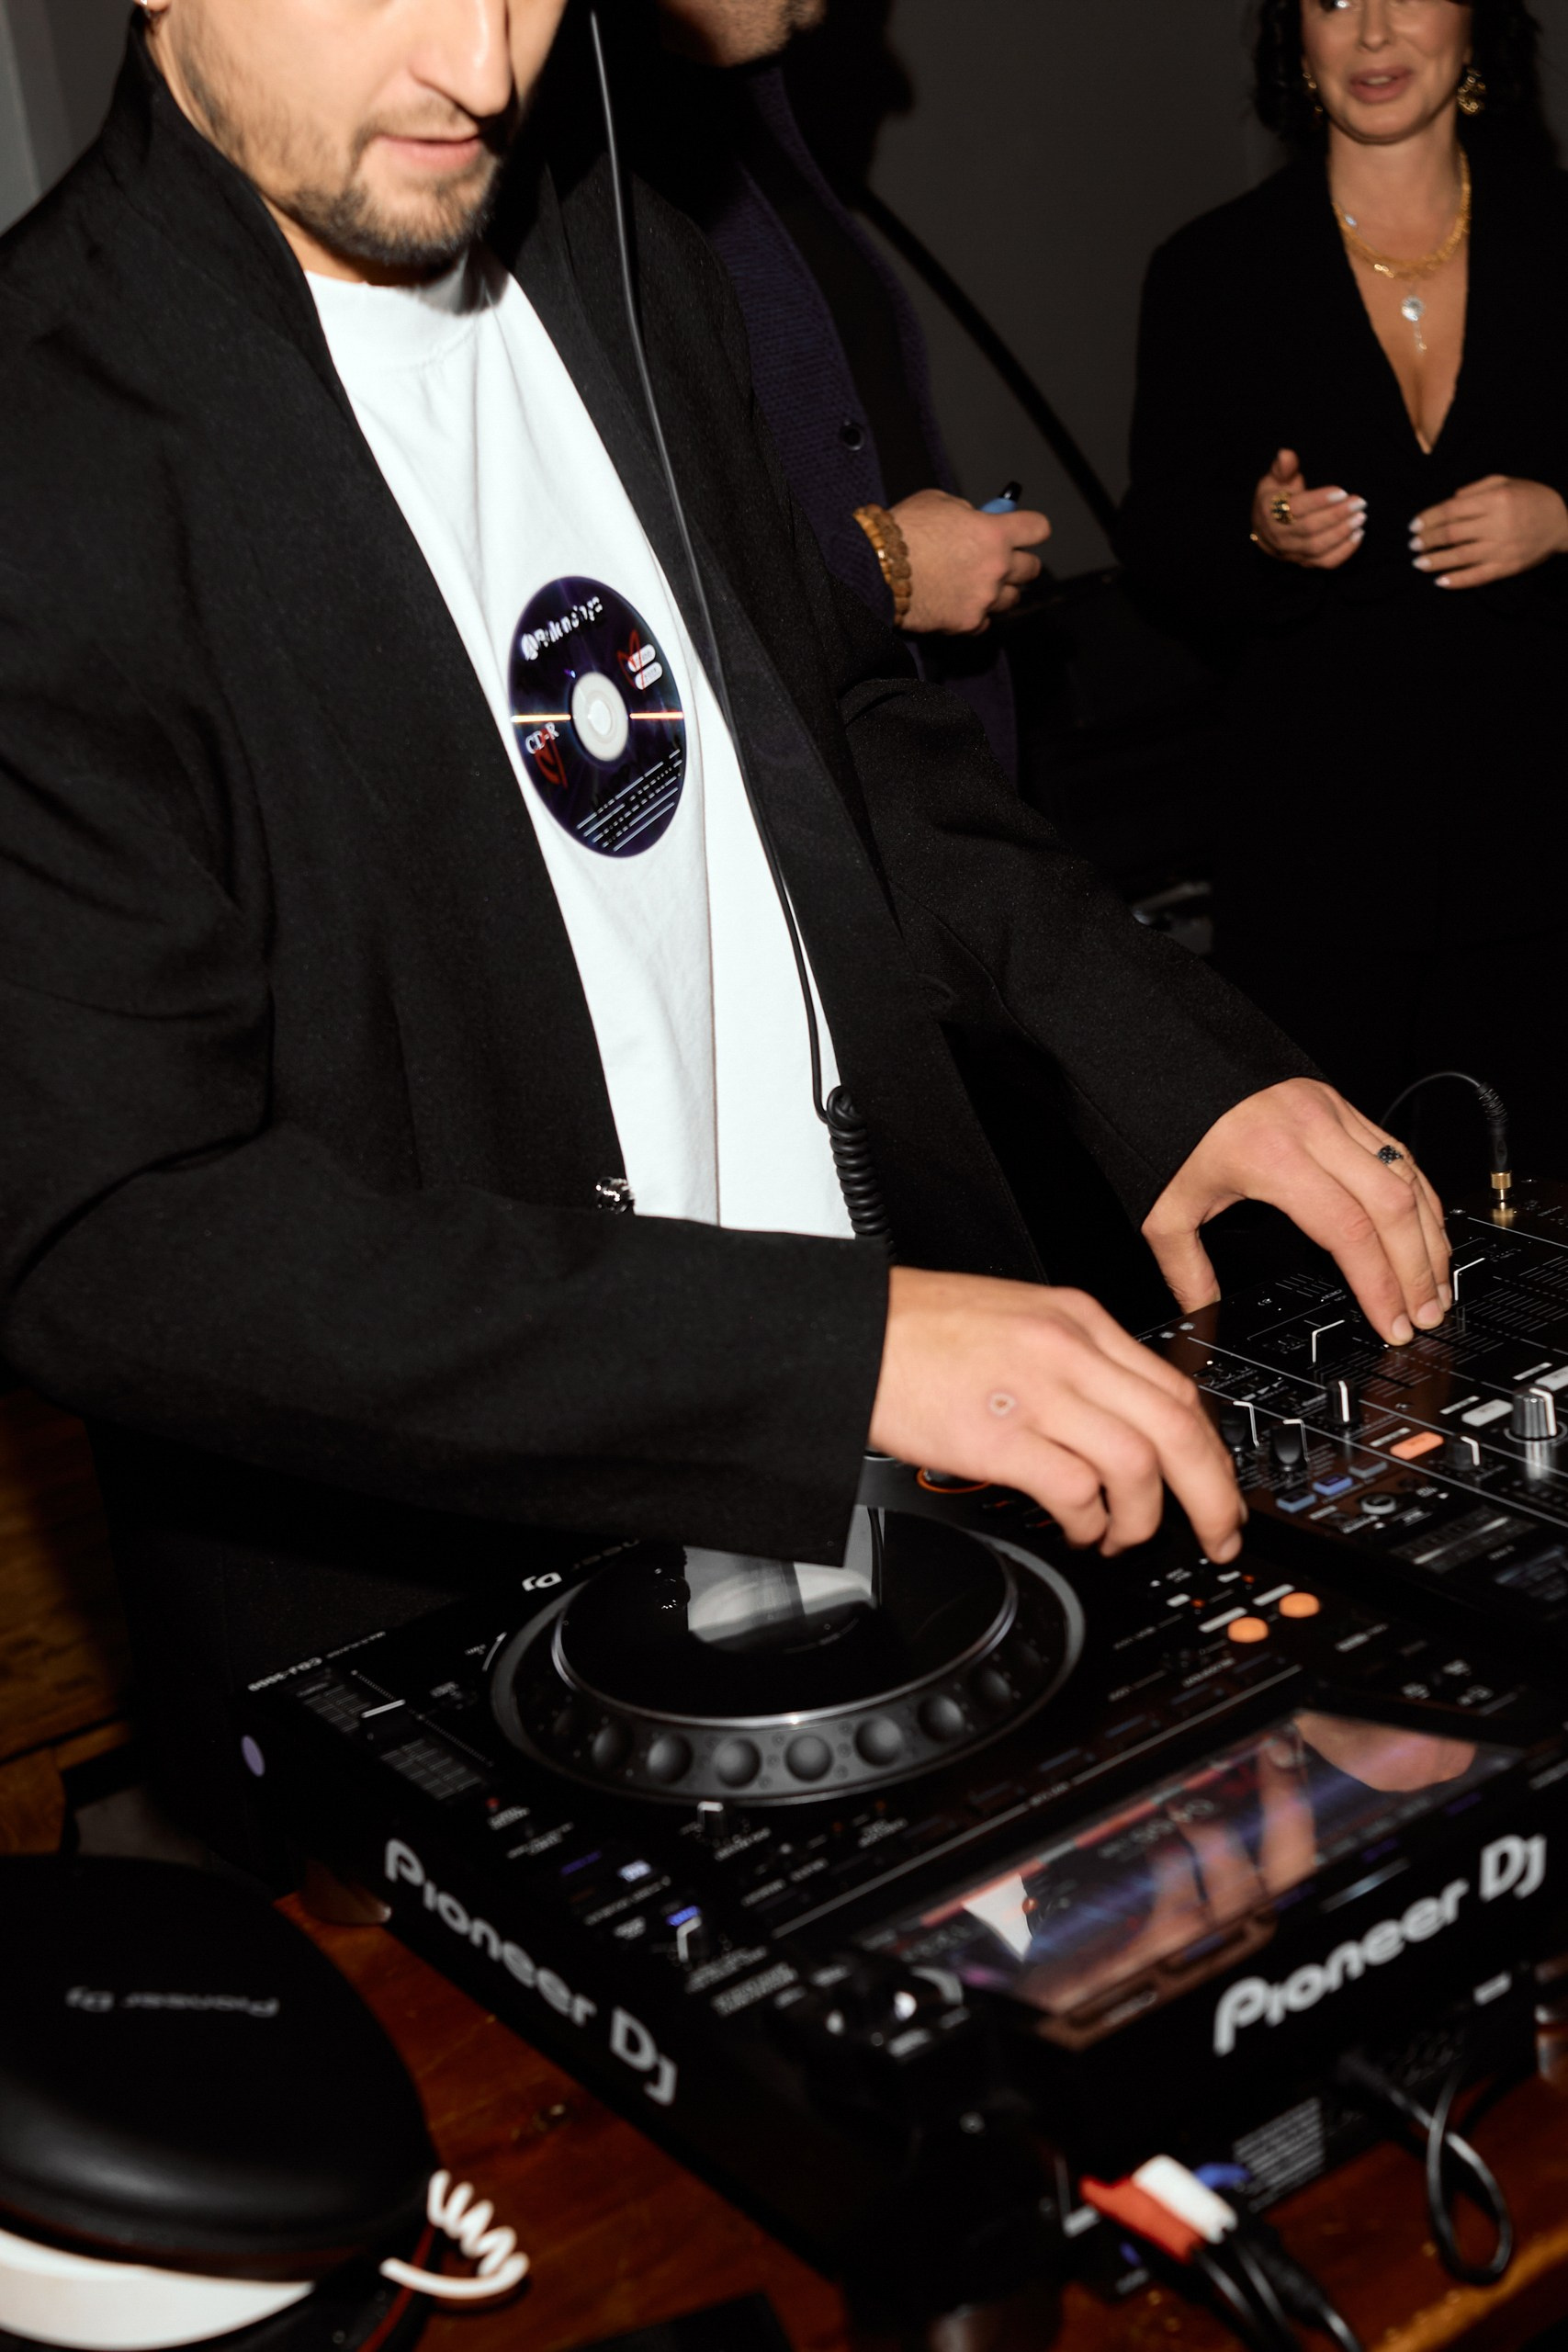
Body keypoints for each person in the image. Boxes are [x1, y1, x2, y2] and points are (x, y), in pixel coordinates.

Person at [0, 0, 1447, 1869]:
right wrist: (817, 1361)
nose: (482, 68)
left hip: (907, 1484)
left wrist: (1158, 1055)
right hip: (461, 1622)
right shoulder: (46, 439)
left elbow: (826, 731)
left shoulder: (624, 255)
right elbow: (118, 1231)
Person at [1119, 0, 1568, 1185]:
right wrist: (1257, 531)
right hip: (1317, 870)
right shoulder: (1213, 269)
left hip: (1544, 855)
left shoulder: (1559, 238)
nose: (1370, 32)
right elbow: (1158, 545)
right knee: (1331, 1243)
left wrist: (1565, 519)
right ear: (1296, 42)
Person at [628, 0, 1050, 780]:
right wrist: (882, 569)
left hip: (922, 759)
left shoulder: (746, 116)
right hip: (802, 787)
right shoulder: (584, 168)